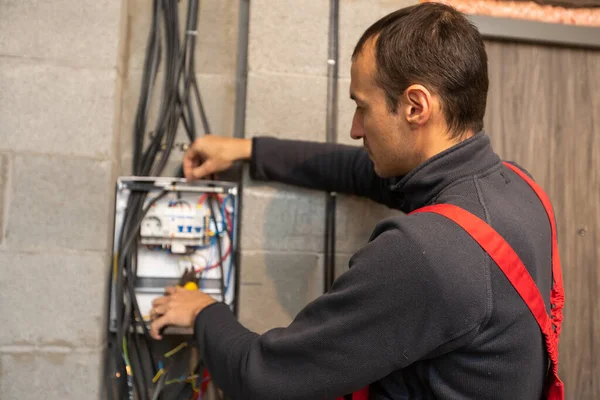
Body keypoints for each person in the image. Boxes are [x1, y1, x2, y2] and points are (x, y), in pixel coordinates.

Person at [149, 3, 564, 399]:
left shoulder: (425, 254)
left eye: (363, 108)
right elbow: (362, 170)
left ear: (415, 106)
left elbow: (263, 378)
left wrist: (203, 312)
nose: (354, 128)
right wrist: (248, 150)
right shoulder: (517, 188)